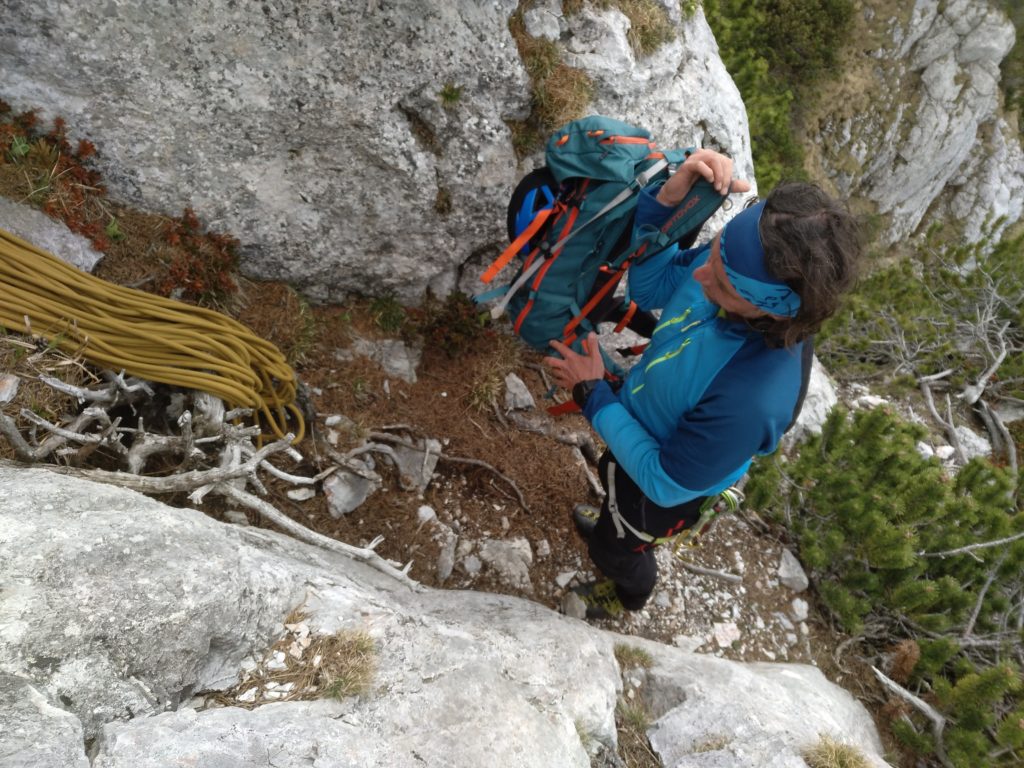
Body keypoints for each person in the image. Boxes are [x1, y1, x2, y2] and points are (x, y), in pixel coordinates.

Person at [543, 149, 861, 619]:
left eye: (724, 286)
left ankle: (629, 594)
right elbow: (650, 289)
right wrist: (670, 205)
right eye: (713, 255)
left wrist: (593, 394)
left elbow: (664, 483)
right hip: (641, 427)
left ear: (771, 311)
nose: (700, 276)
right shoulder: (740, 269)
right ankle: (615, 520)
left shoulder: (752, 400)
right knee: (616, 494)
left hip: (662, 495)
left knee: (616, 548)